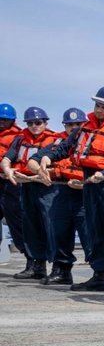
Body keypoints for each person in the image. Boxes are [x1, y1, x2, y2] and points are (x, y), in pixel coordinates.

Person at [34, 86, 104, 292]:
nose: (99, 110)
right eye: (97, 105)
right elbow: (64, 148)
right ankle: (99, 275)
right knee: (93, 229)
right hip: (90, 183)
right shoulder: (84, 129)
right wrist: (47, 157)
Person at [1, 107, 60, 280]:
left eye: (38, 122)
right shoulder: (20, 140)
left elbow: (60, 161)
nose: (34, 126)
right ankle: (36, 266)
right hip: (26, 185)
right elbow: (7, 158)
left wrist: (40, 174)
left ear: (45, 123)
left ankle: (59, 267)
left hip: (47, 186)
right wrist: (7, 169)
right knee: (30, 225)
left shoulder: (54, 139)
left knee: (50, 225)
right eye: (30, 123)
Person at [43, 108, 93, 285]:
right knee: (59, 231)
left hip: (85, 194)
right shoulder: (58, 144)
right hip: (62, 192)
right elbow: (41, 159)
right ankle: (62, 270)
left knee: (90, 235)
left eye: (78, 124)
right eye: (70, 124)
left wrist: (83, 182)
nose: (74, 127)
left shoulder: (91, 141)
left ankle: (99, 273)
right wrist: (42, 169)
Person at [0, 103, 26, 261]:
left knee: (16, 219)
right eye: (0, 119)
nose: (2, 122)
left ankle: (31, 258)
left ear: (13, 120)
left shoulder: (19, 137)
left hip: (11, 182)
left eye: (5, 119)